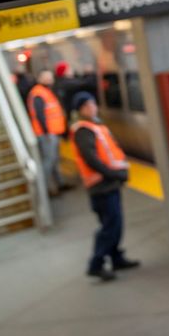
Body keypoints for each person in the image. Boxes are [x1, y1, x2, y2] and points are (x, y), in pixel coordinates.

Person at [69, 91, 139, 281]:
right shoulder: (83, 130)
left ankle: (116, 257)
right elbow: (92, 160)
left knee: (114, 224)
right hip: (101, 186)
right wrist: (114, 174)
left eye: (93, 103)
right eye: (89, 105)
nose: (93, 107)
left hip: (108, 183)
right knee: (110, 226)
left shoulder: (94, 126)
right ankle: (96, 264)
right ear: (82, 109)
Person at [26, 70, 67, 197]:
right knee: (48, 161)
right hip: (46, 134)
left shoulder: (46, 91)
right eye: (46, 78)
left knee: (54, 160)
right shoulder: (38, 93)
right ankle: (45, 190)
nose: (50, 80)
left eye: (50, 77)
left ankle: (59, 184)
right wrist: (47, 132)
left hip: (52, 132)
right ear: (40, 79)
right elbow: (40, 114)